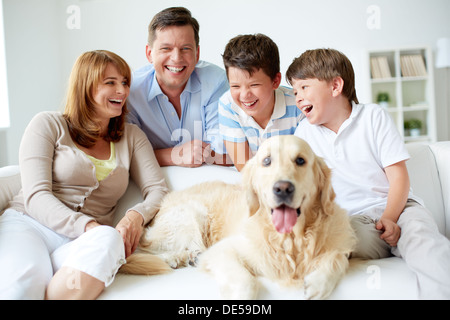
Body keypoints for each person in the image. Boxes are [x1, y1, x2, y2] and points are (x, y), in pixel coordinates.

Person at [0, 50, 168, 300]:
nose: (121, 91)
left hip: (82, 242)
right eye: (110, 83)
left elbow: (158, 190)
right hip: (31, 225)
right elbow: (36, 195)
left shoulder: (132, 137)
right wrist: (87, 225)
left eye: (124, 82)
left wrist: (135, 215)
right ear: (85, 87)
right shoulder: (48, 124)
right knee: (24, 288)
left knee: (109, 237)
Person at [287, 48, 450, 299]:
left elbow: (399, 178)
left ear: (335, 86)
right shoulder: (303, 134)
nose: (298, 97)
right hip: (353, 221)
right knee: (329, 243)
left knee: (422, 241)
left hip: (400, 209)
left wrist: (390, 217)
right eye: (295, 91)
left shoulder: (373, 117)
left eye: (304, 87)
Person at [127, 7, 230, 167]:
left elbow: (225, 153)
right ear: (149, 54)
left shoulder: (216, 81)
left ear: (197, 53)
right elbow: (127, 155)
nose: (176, 58)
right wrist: (175, 156)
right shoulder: (131, 91)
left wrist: (150, 154)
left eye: (185, 49)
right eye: (166, 48)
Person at [218, 34, 303, 171]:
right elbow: (244, 167)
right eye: (235, 86)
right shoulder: (228, 105)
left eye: (254, 85)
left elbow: (302, 163)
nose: (245, 95)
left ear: (275, 81)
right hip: (256, 180)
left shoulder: (298, 104)